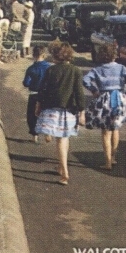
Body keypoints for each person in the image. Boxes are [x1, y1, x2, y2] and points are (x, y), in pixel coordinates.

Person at [34, 42, 85, 185]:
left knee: (59, 140)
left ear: (55, 56)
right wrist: (82, 111)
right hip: (69, 111)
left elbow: (43, 90)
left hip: (53, 109)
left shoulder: (51, 70)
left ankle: (65, 173)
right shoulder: (76, 71)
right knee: (64, 139)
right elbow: (79, 93)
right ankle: (61, 167)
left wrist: (38, 105)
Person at [83, 43, 126, 170]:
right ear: (114, 55)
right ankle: (113, 158)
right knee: (115, 128)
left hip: (104, 100)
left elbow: (85, 80)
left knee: (105, 131)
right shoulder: (121, 68)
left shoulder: (97, 70)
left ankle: (107, 162)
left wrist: (94, 90)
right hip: (119, 98)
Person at [22, 46, 52, 143]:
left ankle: (34, 135)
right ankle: (47, 132)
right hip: (46, 95)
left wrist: (32, 84)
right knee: (46, 113)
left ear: (33, 55)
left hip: (34, 94)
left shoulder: (31, 69)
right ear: (44, 55)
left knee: (32, 115)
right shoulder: (49, 68)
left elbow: (26, 83)